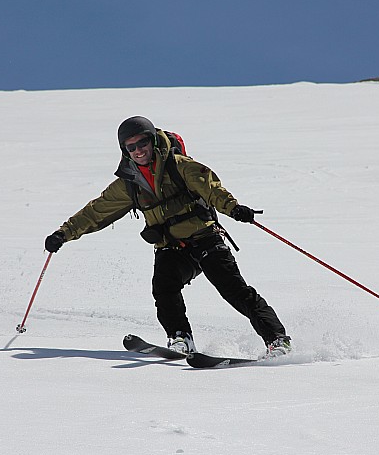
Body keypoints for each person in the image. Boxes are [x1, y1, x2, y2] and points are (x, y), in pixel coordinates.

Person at [44, 116, 291, 356]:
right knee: (164, 288)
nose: (138, 150)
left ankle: (278, 341)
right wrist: (63, 234)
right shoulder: (128, 184)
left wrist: (233, 208)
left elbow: (210, 187)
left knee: (234, 290)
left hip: (205, 237)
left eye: (142, 143)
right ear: (125, 150)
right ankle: (180, 338)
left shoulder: (179, 165)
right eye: (131, 146)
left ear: (152, 141)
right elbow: (96, 211)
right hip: (171, 247)